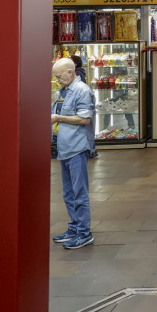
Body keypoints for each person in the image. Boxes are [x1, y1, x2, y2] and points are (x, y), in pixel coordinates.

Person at [51, 58, 96, 249]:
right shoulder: (64, 91)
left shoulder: (82, 91)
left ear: (71, 72)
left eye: (60, 77)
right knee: (69, 192)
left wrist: (58, 118)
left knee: (79, 192)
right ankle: (75, 227)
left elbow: (85, 119)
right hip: (64, 148)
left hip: (77, 148)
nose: (58, 81)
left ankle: (84, 233)